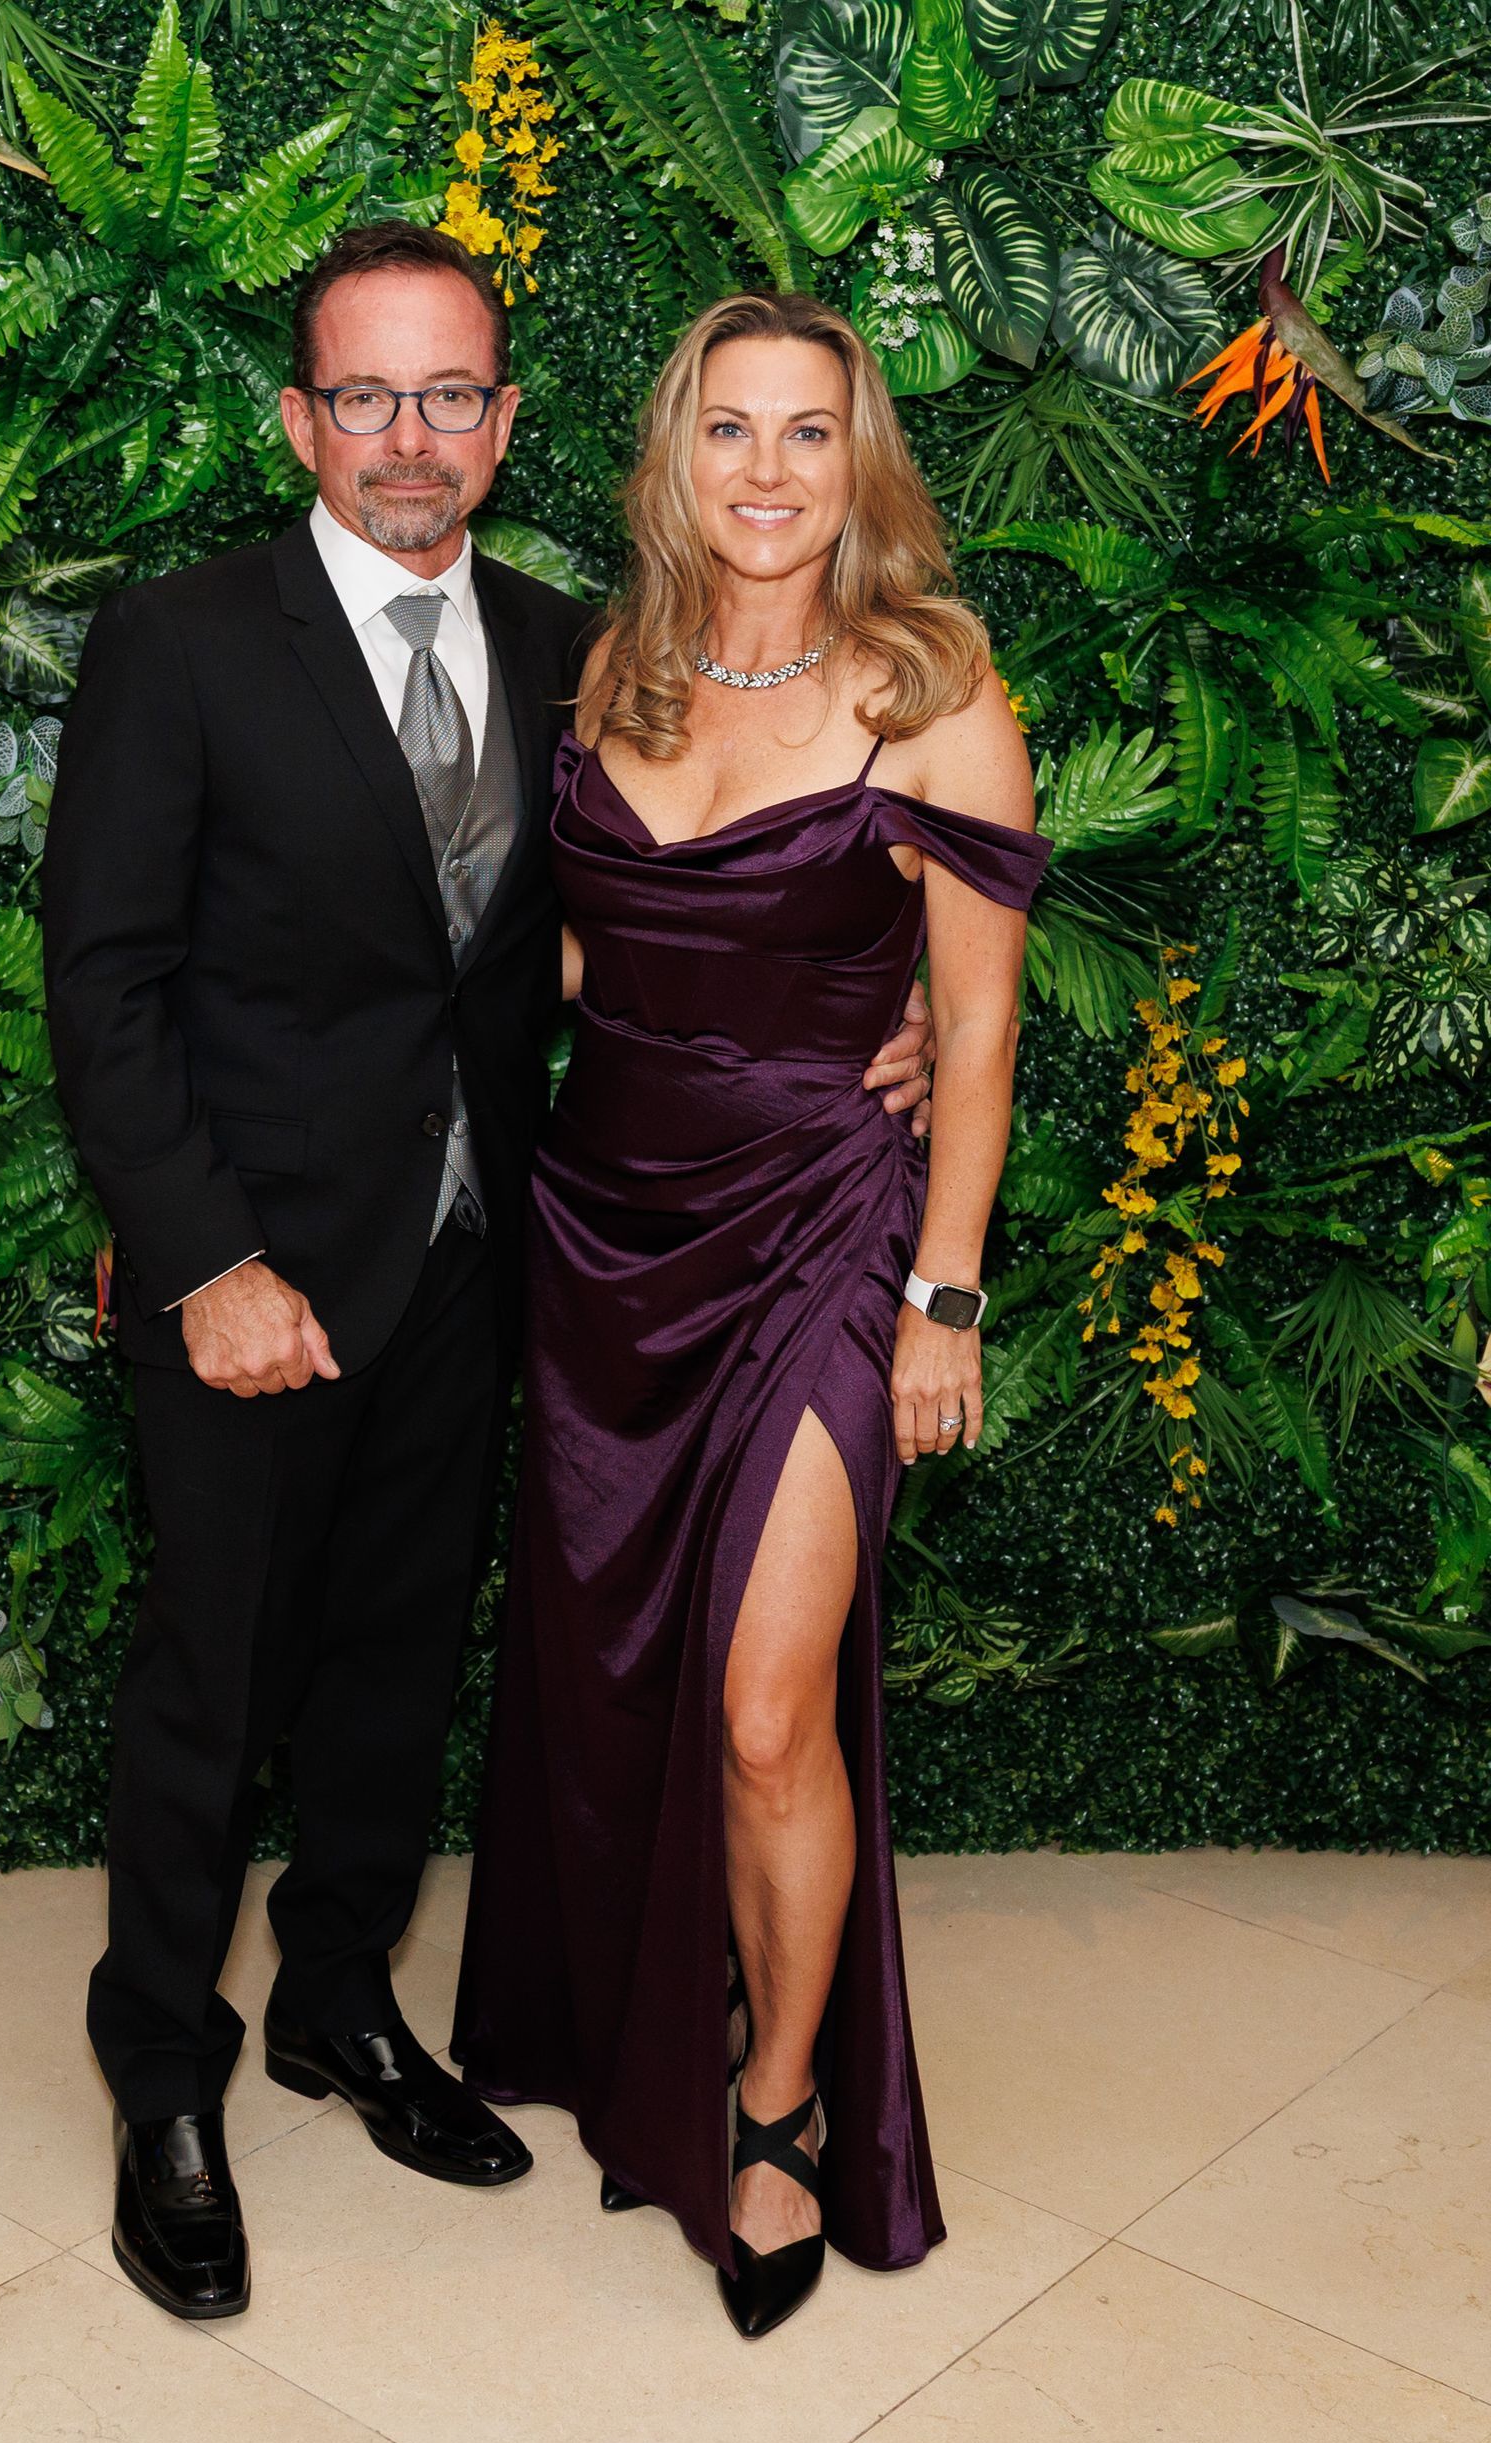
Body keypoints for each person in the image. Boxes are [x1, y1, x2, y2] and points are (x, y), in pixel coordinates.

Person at [44, 222, 941, 2322]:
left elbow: (648, 926)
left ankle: (339, 1999)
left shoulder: (581, 655)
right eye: (366, 395)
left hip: (494, 1257)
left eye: (450, 395)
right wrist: (205, 1259)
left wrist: (871, 1019)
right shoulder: (183, 641)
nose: (410, 437)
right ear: (301, 421)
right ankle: (161, 2069)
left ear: (507, 422)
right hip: (255, 1277)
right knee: (217, 1683)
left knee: (396, 1664)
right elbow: (104, 987)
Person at [451, 289, 1050, 2340]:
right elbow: (575, 966)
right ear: (676, 456)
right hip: (604, 1235)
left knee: (766, 1704)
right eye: (731, 429)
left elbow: (978, 1033)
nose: (769, 471)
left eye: (809, 431)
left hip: (826, 1233)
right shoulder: (607, 673)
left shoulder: (935, 694)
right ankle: (650, 2022)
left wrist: (942, 1296)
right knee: (621, 1676)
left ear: (859, 460)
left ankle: (779, 2103)